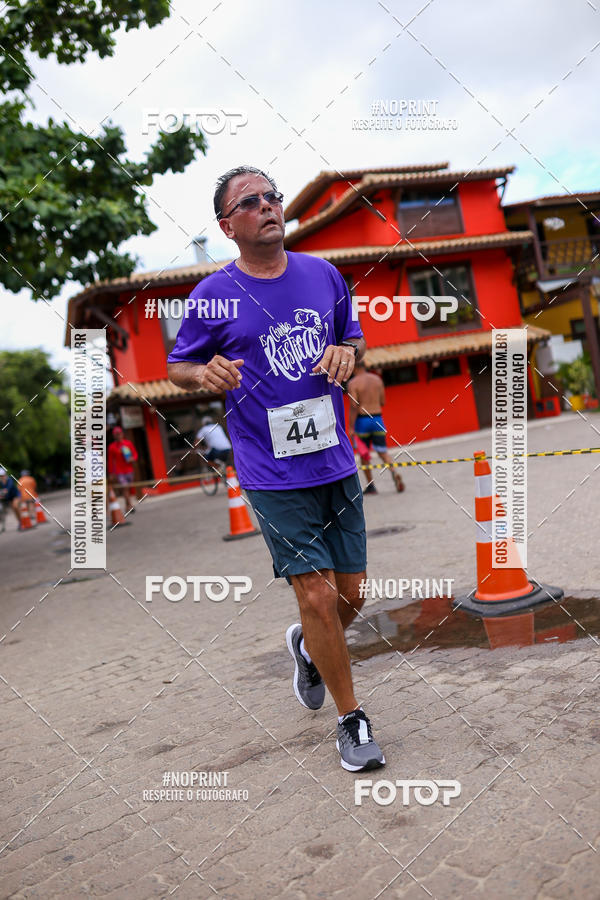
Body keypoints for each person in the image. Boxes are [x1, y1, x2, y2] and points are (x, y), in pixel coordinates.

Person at [167, 165, 385, 771]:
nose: (267, 206)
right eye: (251, 201)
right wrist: (201, 373)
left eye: (272, 196)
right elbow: (178, 365)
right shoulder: (213, 293)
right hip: (268, 467)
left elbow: (354, 340)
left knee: (351, 594)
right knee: (314, 594)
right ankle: (351, 719)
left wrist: (348, 351)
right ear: (227, 225)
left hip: (334, 458)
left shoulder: (325, 275)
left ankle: (310, 651)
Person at [347, 362, 405, 495]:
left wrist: (350, 426)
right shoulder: (377, 380)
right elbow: (383, 402)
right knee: (383, 451)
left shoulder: (353, 383)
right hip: (378, 419)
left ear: (355, 368)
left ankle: (371, 486)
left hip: (362, 421)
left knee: (364, 454)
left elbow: (354, 405)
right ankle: (394, 472)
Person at [107, 426, 138, 514]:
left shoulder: (128, 444)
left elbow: (135, 454)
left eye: (119, 434)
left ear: (122, 434)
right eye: (116, 434)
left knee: (128, 488)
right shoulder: (112, 447)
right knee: (125, 488)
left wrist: (133, 459)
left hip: (129, 469)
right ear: (114, 436)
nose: (118, 436)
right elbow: (110, 461)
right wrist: (111, 473)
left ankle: (127, 505)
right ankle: (130, 506)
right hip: (119, 471)